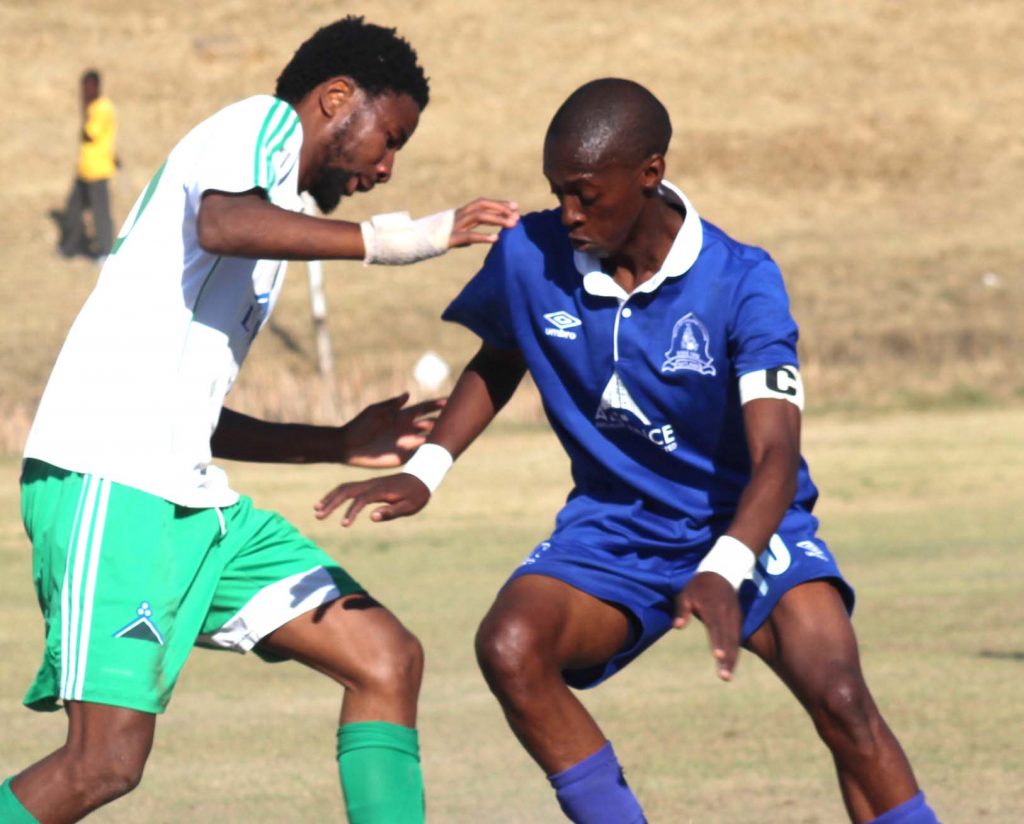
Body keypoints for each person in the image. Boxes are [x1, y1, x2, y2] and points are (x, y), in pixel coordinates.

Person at [316, 78, 940, 823]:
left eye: (584, 194)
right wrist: (427, 470)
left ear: (650, 172)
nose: (568, 215)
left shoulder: (742, 281)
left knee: (843, 701)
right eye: (557, 192)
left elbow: (777, 458)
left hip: (740, 522)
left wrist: (724, 567)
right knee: (511, 646)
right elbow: (502, 352)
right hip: (617, 527)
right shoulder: (529, 254)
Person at [2, 16, 518, 824]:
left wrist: (336, 444)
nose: (385, 167)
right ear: (335, 98)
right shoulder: (256, 125)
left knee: (385, 657)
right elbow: (222, 221)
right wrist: (403, 239)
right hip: (111, 483)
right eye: (389, 139)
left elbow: (192, 414)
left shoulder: (271, 229)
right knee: (102, 764)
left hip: (193, 501)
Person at [58, 69, 117, 261]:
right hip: (84, 169)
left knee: (100, 213)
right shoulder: (93, 108)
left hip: (98, 170)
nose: (86, 92)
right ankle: (70, 247)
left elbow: (90, 133)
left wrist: (84, 106)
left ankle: (106, 252)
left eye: (89, 87)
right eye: (84, 88)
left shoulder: (101, 108)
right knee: (73, 209)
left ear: (97, 86)